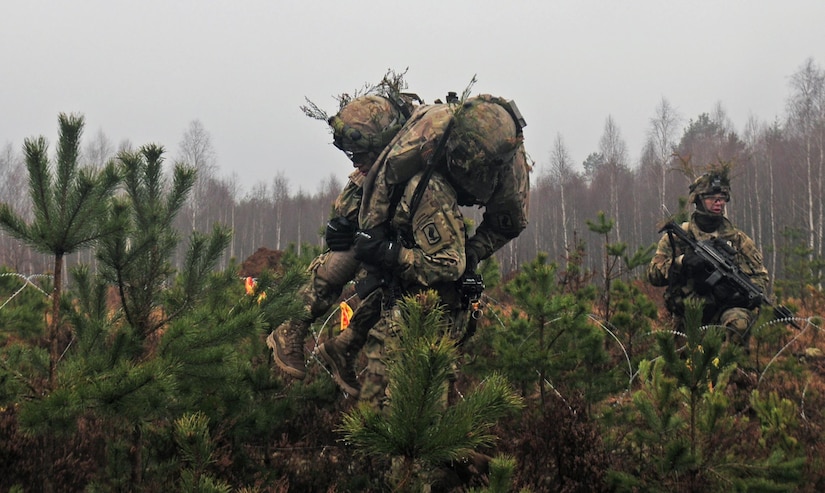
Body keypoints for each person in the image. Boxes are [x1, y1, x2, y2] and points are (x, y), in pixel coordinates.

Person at [339, 93, 530, 409]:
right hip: (407, 231)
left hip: (434, 282)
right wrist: (373, 234)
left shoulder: (511, 179)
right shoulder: (428, 134)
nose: (462, 166)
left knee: (419, 394)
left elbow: (507, 225)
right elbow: (383, 177)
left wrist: (469, 254)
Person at [266, 92, 416, 388]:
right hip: (383, 241)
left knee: (403, 281)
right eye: (353, 156)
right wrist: (345, 224)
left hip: (413, 247)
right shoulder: (373, 169)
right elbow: (346, 209)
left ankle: (345, 346)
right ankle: (293, 324)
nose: (357, 163)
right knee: (351, 249)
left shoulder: (414, 164)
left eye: (362, 155)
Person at [647, 169, 769, 347]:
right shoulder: (679, 237)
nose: (719, 201)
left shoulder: (738, 240)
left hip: (727, 312)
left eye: (722, 197)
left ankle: (733, 372)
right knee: (682, 364)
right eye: (712, 197)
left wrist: (742, 297)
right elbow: (653, 274)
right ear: (698, 200)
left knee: (738, 323)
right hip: (689, 313)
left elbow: (760, 276)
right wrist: (681, 262)